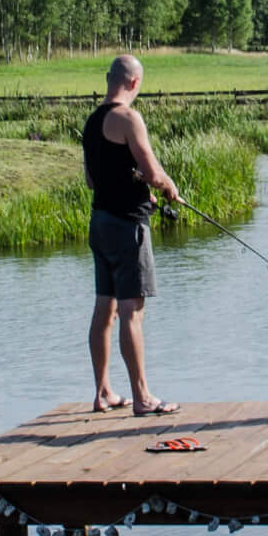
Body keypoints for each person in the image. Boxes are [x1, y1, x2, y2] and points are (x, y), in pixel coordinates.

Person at [83, 54, 181, 415]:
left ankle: (103, 392)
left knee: (103, 309)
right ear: (135, 82)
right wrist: (168, 188)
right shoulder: (128, 117)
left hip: (100, 222)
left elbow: (93, 179)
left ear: (109, 78)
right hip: (128, 226)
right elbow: (153, 171)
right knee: (132, 311)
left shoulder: (93, 122)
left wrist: (137, 185)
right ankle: (142, 397)